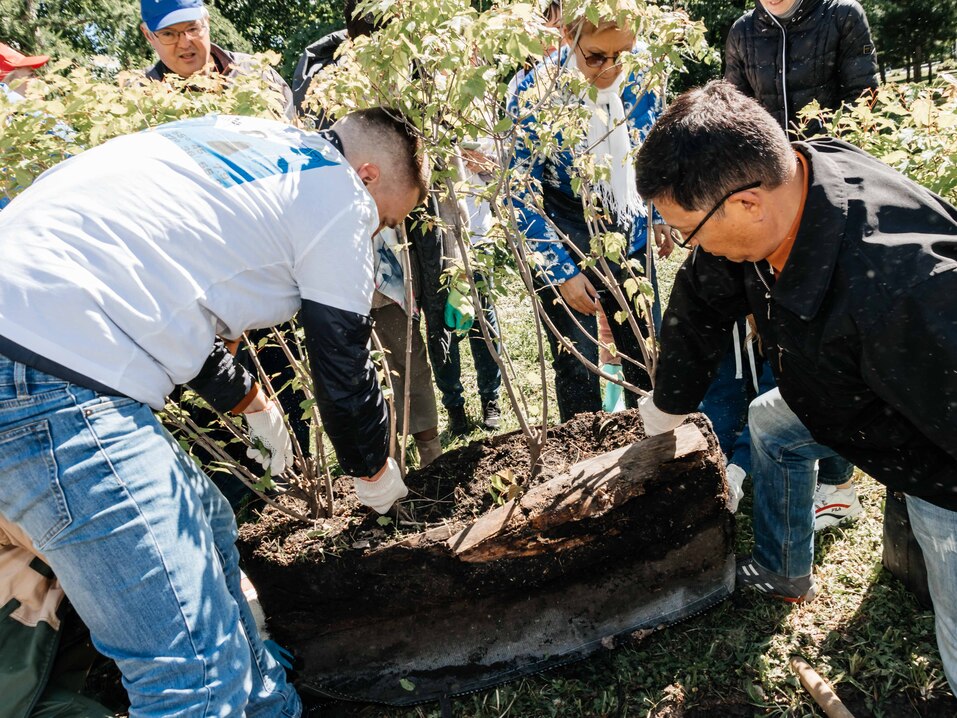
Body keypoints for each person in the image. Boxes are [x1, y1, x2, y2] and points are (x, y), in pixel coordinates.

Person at [0, 108, 428, 716]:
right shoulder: (340, 193)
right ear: (367, 176)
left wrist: (253, 403)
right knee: (192, 675)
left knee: (207, 520)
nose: (376, 232)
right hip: (49, 383)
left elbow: (166, 295)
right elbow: (342, 364)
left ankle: (267, 700)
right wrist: (374, 471)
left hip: (39, 355)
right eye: (386, 219)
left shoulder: (241, 139)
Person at [634, 80, 957, 691]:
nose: (687, 246)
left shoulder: (903, 292)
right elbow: (700, 298)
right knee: (770, 423)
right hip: (836, 392)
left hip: (939, 461)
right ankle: (784, 570)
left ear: (747, 204)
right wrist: (666, 406)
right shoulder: (791, 182)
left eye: (688, 232)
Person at [705, 0, 880, 520]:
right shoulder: (743, 31)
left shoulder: (840, 16)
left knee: (828, 341)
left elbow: (865, 105)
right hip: (763, 211)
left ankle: (838, 486)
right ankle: (784, 461)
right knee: (781, 338)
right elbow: (731, 121)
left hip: (829, 202)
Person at [508, 13, 672, 422]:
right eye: (596, 57)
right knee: (577, 365)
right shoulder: (535, 92)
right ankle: (587, 454)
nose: (611, 70)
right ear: (568, 36)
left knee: (647, 355)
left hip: (629, 225)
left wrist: (658, 214)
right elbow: (518, 190)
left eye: (622, 55)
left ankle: (653, 441)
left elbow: (654, 150)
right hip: (563, 227)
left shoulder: (645, 73)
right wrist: (561, 271)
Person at [140, 0, 294, 119]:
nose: (185, 43)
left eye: (192, 28)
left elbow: (292, 137)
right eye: (168, 34)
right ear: (148, 36)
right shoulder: (139, 97)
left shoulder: (257, 74)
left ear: (207, 22)